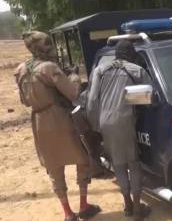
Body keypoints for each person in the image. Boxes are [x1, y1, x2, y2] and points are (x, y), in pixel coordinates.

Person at [15, 31, 101, 221]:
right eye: (48, 45)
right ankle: (84, 205)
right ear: (41, 47)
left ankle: (68, 213)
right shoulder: (49, 68)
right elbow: (72, 93)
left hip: (38, 121)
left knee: (54, 166)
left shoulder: (21, 69)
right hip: (59, 118)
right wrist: (74, 76)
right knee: (82, 158)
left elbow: (25, 102)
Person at [87, 40, 152, 221]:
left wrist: (96, 126)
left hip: (104, 122)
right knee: (133, 162)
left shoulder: (100, 70)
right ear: (130, 54)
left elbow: (92, 102)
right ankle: (138, 209)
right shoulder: (136, 70)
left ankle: (127, 205)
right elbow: (149, 97)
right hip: (125, 121)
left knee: (118, 163)